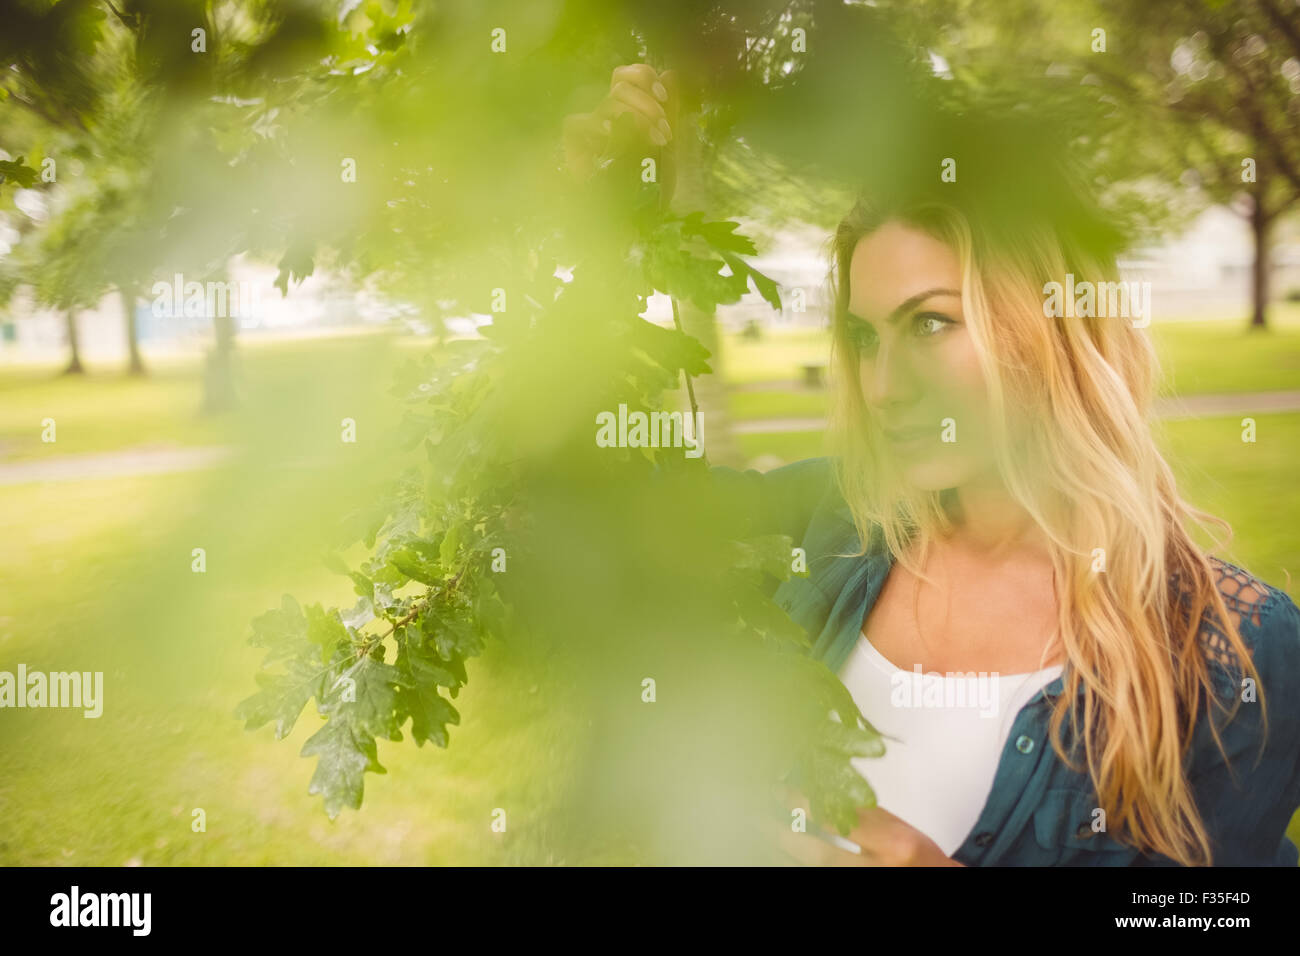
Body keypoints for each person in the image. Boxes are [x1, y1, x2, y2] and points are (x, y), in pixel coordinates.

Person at [564, 64, 1300, 866]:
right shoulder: (829, 520)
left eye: (931, 325)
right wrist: (596, 229)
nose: (883, 388)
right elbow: (594, 509)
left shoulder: (1236, 651)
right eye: (866, 338)